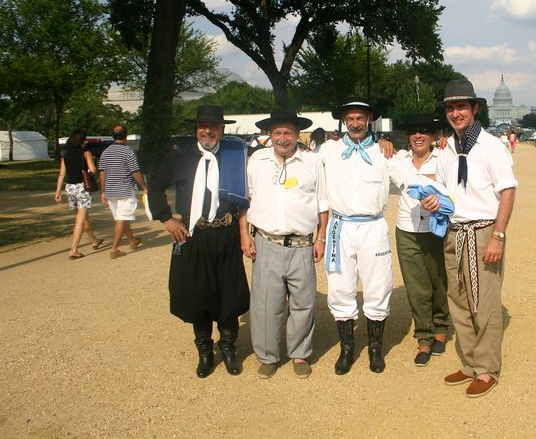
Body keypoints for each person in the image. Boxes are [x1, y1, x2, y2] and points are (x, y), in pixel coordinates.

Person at [421, 79, 517, 398]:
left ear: (475, 109)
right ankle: (470, 362)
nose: (455, 113)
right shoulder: (447, 148)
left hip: (483, 231)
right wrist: (432, 200)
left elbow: (507, 192)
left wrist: (498, 237)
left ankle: (488, 369)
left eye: (461, 106)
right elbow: (446, 190)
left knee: (485, 303)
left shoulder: (491, 146)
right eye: (450, 107)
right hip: (454, 231)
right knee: (459, 300)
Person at [147, 105, 251, 378]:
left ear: (222, 129)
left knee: (228, 293)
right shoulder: (180, 157)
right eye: (203, 126)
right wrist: (166, 219)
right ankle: (205, 351)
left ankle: (228, 349)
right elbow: (155, 184)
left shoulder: (235, 155)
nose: (208, 131)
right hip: (193, 234)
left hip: (225, 235)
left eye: (214, 126)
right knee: (198, 294)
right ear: (196, 129)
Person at [240, 110, 328, 379]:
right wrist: (244, 234)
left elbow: (322, 203)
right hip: (266, 242)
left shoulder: (311, 162)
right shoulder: (257, 160)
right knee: (266, 304)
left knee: (303, 303)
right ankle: (267, 355)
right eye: (276, 133)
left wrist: (321, 237)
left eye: (287, 133)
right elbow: (246, 201)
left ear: (296, 134)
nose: (282, 138)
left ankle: (299, 353)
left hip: (301, 244)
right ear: (269, 135)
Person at [317, 97, 402, 375]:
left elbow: (407, 177)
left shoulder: (383, 151)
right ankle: (347, 348)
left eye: (360, 118)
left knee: (379, 285)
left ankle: (376, 348)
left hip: (372, 226)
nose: (355, 123)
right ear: (344, 121)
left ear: (369, 120)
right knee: (340, 286)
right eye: (350, 118)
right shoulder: (328, 150)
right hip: (340, 226)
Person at [392, 114, 450, 367]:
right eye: (414, 132)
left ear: (433, 136)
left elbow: (453, 186)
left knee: (439, 281)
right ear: (408, 137)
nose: (418, 136)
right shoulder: (397, 159)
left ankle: (442, 327)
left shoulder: (444, 157)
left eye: (424, 131)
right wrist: (382, 140)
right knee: (417, 287)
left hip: (436, 229)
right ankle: (424, 336)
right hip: (407, 229)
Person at [98, 125, 147, 258]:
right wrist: (144, 187)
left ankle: (132, 240)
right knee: (122, 218)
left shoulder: (106, 152)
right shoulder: (128, 151)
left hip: (110, 189)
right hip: (124, 189)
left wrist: (103, 191)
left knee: (121, 217)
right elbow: (134, 171)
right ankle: (114, 249)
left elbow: (102, 173)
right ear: (126, 136)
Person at [55, 129, 104, 259]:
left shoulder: (65, 155)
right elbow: (93, 169)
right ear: (82, 141)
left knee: (83, 216)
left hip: (70, 187)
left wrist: (58, 192)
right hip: (82, 187)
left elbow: (61, 174)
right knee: (80, 220)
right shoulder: (86, 153)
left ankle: (94, 240)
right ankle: (74, 250)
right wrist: (93, 164)